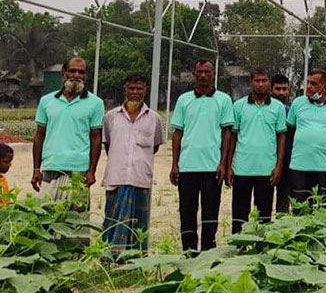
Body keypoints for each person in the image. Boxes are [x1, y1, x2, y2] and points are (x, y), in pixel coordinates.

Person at [170, 59, 233, 253]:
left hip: (212, 167)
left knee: (210, 213)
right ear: (194, 74)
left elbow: (227, 133)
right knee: (187, 212)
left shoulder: (223, 100)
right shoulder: (184, 100)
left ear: (213, 73)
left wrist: (223, 163)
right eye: (199, 72)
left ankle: (208, 252)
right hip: (187, 166)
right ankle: (189, 252)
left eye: (207, 72)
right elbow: (177, 132)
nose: (203, 75)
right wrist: (174, 163)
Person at [101, 73, 164, 251]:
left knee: (139, 225)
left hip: (140, 180)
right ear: (125, 90)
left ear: (146, 90)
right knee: (112, 222)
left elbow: (155, 147)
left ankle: (135, 261)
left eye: (139, 88)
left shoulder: (154, 119)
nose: (135, 92)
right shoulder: (111, 117)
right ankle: (110, 259)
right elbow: (108, 145)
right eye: (131, 88)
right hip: (116, 179)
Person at [31, 56, 104, 206]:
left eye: (81, 72)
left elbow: (96, 138)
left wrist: (92, 171)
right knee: (47, 220)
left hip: (79, 171)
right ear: (64, 72)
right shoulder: (47, 101)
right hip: (51, 166)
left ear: (85, 75)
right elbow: (39, 135)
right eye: (72, 71)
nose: (76, 75)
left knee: (76, 223)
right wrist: (36, 169)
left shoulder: (96, 103)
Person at [227, 69, 287, 234]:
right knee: (240, 215)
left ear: (268, 83)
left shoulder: (278, 108)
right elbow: (233, 136)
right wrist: (228, 166)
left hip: (266, 170)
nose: (261, 84)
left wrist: (278, 166)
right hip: (242, 169)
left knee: (264, 216)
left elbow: (281, 137)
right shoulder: (238, 106)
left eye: (264, 81)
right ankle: (238, 248)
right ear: (251, 82)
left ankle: (260, 251)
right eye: (257, 81)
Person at [287, 68, 326, 203]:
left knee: (323, 211)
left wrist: (324, 148)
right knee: (299, 210)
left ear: (325, 86)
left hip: (325, 168)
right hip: (299, 167)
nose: (309, 87)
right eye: (308, 82)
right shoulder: (297, 103)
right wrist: (306, 146)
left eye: (314, 84)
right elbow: (290, 131)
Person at [270, 74, 294, 214]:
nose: (281, 93)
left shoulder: (292, 110)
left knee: (285, 199)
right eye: (278, 89)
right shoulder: (267, 109)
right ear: (271, 90)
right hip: (268, 161)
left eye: (284, 89)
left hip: (289, 162)